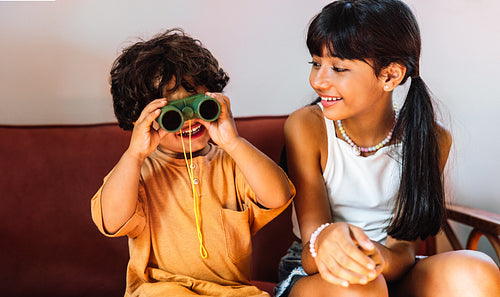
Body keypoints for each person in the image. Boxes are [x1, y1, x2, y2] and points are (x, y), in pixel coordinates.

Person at [275, 1, 500, 297]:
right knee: (361, 287)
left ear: (390, 76)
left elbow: (403, 250)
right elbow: (310, 249)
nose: (317, 80)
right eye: (316, 63)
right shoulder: (306, 126)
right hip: (318, 271)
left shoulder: (431, 139)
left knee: (477, 271)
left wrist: (381, 259)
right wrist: (333, 240)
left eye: (338, 68)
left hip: (390, 269)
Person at [91, 28, 294, 297]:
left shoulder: (232, 163)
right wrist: (134, 155)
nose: (189, 120)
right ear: (142, 121)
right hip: (161, 290)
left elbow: (278, 196)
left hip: (231, 292)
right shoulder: (138, 172)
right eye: (172, 115)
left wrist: (233, 143)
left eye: (197, 105)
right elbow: (112, 221)